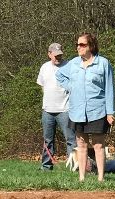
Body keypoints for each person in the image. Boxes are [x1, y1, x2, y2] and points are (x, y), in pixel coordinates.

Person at [56, 32, 115, 182]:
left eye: (82, 44)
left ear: (91, 46)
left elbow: (110, 88)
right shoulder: (73, 63)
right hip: (77, 111)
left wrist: (110, 112)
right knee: (81, 144)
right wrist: (71, 86)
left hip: (98, 110)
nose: (78, 47)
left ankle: (101, 178)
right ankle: (81, 178)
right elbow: (59, 75)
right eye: (77, 44)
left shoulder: (103, 63)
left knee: (98, 144)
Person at [37, 42, 75, 171]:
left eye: (60, 55)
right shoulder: (44, 67)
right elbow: (42, 85)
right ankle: (46, 166)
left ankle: (73, 166)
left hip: (66, 109)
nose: (58, 58)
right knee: (48, 140)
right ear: (49, 54)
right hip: (47, 110)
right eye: (55, 55)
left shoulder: (69, 66)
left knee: (70, 139)